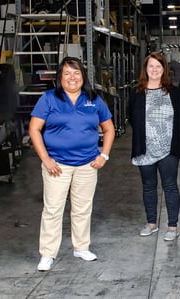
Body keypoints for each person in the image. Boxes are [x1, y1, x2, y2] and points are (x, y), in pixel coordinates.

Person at [29, 57, 115, 271]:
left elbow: (109, 129)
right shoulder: (49, 99)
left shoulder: (93, 99)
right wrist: (46, 159)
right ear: (60, 77)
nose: (72, 77)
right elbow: (34, 129)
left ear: (83, 76)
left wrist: (103, 155)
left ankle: (81, 247)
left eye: (76, 73)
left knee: (82, 208)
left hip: (87, 164)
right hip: (57, 165)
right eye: (67, 73)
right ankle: (47, 254)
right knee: (53, 210)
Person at [128, 52, 180, 242]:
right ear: (145, 69)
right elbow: (132, 116)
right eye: (151, 66)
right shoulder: (137, 93)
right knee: (148, 186)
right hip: (145, 148)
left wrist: (168, 136)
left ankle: (172, 226)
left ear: (164, 70)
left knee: (170, 186)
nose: (154, 70)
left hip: (169, 149)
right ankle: (151, 223)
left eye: (158, 66)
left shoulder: (173, 92)